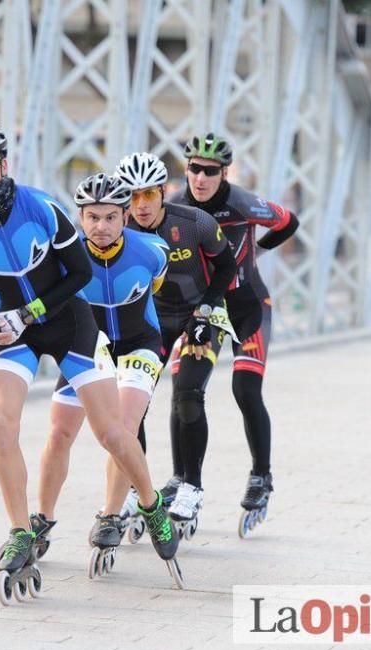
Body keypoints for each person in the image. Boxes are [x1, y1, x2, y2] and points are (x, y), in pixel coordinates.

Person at [0, 124, 180, 596]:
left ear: (4, 164)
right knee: (2, 424)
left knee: (112, 433)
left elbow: (81, 271)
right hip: (12, 329)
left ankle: (151, 507)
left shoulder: (41, 207)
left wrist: (32, 311)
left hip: (68, 322)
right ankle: (21, 530)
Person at [35, 172, 170, 570]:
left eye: (111, 217)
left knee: (122, 430)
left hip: (139, 346)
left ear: (125, 218)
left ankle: (111, 515)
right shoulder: (64, 256)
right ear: (80, 218)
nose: (101, 226)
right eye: (92, 217)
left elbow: (155, 287)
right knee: (59, 432)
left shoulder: (153, 251)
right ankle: (41, 519)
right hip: (87, 349)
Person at [169, 132, 299, 531]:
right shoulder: (175, 205)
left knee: (245, 389)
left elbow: (289, 222)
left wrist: (258, 251)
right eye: (194, 169)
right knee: (184, 391)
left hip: (247, 307)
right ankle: (183, 479)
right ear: (186, 169)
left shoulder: (243, 203)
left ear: (224, 173)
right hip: (205, 310)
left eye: (210, 171)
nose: (201, 178)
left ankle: (262, 475)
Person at [114, 151, 237, 532]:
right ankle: (137, 488)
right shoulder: (118, 230)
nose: (141, 206)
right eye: (132, 198)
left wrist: (206, 310)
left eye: (148, 195)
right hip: (152, 322)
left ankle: (192, 486)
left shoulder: (194, 221)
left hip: (200, 314)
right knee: (131, 405)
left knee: (187, 392)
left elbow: (227, 266)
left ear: (163, 192)